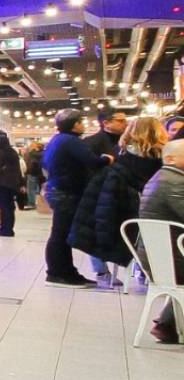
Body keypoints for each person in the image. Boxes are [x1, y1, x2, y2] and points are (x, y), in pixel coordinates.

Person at [70, 116, 165, 289]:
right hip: (147, 209)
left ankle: (102, 272)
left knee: (94, 228)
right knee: (150, 234)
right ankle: (145, 272)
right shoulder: (163, 158)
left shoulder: (119, 153)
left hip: (114, 205)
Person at [42, 109, 111, 287]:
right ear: (73, 124)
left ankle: (65, 271)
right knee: (61, 234)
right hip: (66, 192)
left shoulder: (57, 140)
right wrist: (107, 159)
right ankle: (58, 273)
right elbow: (92, 161)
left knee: (60, 233)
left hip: (58, 189)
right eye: (80, 121)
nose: (83, 125)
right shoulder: (70, 141)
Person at [140, 139, 184, 343]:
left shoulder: (162, 177)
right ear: (170, 158)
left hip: (162, 257)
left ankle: (166, 324)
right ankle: (166, 325)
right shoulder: (174, 182)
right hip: (171, 260)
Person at [82, 110, 130, 284]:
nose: (125, 123)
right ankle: (101, 271)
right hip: (99, 193)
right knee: (97, 232)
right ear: (106, 123)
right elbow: (87, 169)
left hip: (123, 193)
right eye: (120, 120)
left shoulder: (128, 142)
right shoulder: (92, 142)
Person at [23, 141, 44, 209]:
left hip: (32, 173)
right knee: (42, 189)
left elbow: (29, 164)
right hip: (41, 174)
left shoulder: (32, 154)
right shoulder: (44, 153)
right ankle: (44, 204)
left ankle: (32, 204)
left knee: (31, 189)